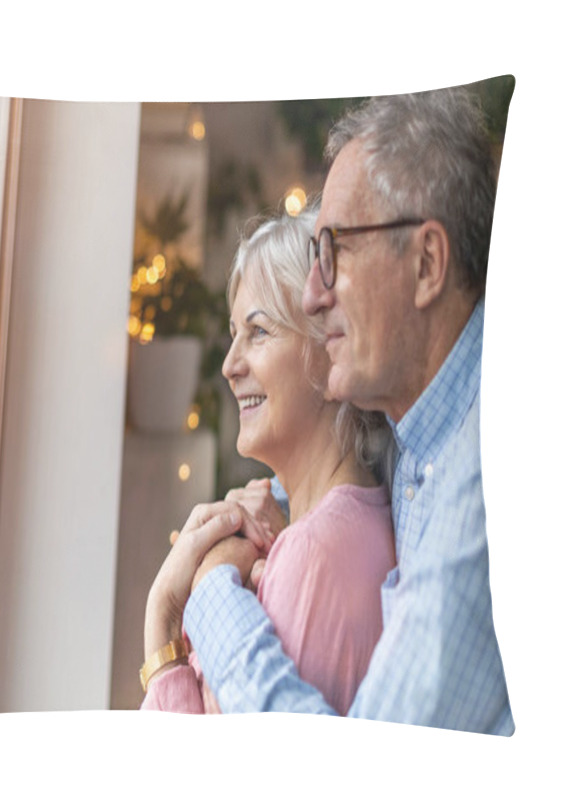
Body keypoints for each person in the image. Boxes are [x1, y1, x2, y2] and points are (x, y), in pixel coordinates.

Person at [167, 87, 514, 734]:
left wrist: (209, 591)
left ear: (427, 263)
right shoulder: (417, 436)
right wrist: (267, 504)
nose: (315, 293)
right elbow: (333, 469)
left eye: (335, 251)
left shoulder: (485, 482)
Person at [140, 208, 396, 714]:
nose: (230, 365)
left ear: (329, 353)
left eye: (258, 332)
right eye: (235, 333)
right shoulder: (312, 531)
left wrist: (165, 621)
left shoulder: (313, 556)